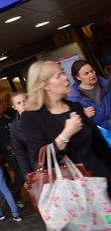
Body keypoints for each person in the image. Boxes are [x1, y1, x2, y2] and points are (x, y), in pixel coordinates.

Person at [22, 61, 111, 197]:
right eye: (58, 76)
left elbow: (99, 145)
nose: (65, 78)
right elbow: (43, 159)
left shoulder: (74, 107)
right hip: (74, 192)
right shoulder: (32, 117)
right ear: (44, 85)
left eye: (63, 73)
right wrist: (66, 133)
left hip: (101, 180)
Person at [0, 97, 25, 207]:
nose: (4, 105)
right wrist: (5, 146)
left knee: (22, 171)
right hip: (6, 153)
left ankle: (16, 195)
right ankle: (15, 195)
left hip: (17, 148)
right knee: (20, 172)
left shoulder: (7, 117)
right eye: (1, 103)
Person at [68, 59, 111, 129]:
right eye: (86, 74)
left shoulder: (107, 85)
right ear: (78, 77)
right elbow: (72, 124)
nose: (92, 75)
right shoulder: (74, 98)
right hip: (101, 135)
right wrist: (83, 115)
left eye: (92, 71)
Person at [9, 92, 34, 179]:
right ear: (14, 107)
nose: (23, 104)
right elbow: (20, 153)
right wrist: (27, 175)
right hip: (35, 163)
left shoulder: (39, 115)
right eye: (19, 103)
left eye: (24, 100)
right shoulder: (14, 127)